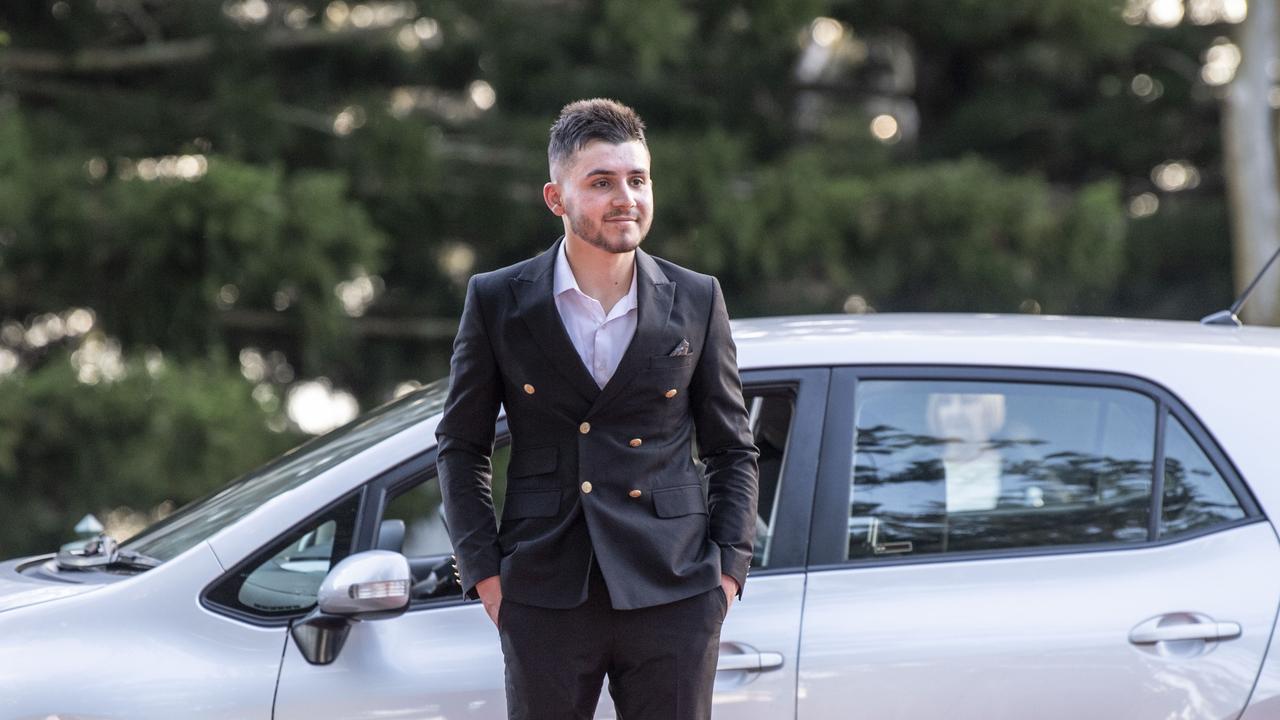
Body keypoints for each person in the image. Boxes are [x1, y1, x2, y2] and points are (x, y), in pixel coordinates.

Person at [435, 98, 760, 720]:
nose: (626, 199)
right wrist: (487, 577)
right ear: (557, 198)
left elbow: (731, 448)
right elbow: (461, 445)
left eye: (638, 180)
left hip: (674, 587)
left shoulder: (697, 297)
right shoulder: (497, 299)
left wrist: (726, 576)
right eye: (602, 182)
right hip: (545, 588)